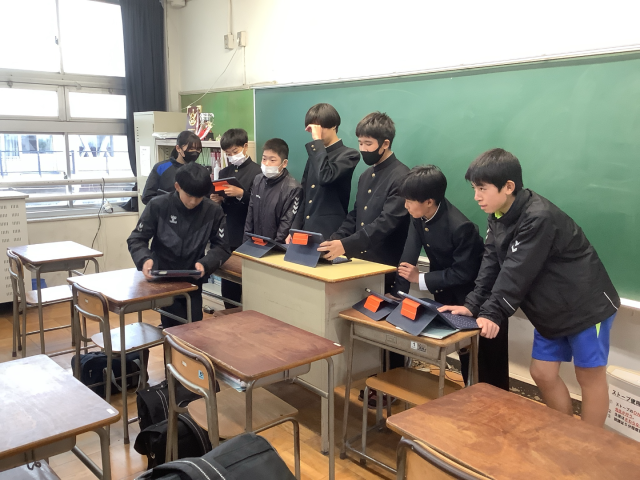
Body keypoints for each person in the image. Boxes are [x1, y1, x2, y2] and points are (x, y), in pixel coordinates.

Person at [440, 148, 620, 426]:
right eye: (474, 188)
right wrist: (472, 305)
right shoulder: (498, 214)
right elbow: (491, 262)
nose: (476, 196)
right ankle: (566, 432)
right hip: (551, 309)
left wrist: (492, 313)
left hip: (586, 305)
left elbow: (516, 270)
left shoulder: (538, 217)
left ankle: (588, 443)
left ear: (508, 186)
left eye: (482, 188)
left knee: (589, 377)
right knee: (542, 373)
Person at [390, 165, 500, 387]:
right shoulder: (419, 216)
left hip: (472, 297)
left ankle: (484, 399)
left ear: (429, 201)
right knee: (462, 353)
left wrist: (420, 279)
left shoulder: (461, 227)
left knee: (480, 358)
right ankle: (467, 394)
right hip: (445, 293)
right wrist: (397, 293)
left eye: (409, 201)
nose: (405, 205)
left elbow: (464, 272)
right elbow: (409, 255)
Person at [128, 162, 231, 328]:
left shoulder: (213, 211)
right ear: (177, 186)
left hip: (193, 278)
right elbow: (137, 239)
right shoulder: (158, 205)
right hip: (163, 278)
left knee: (194, 326)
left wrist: (205, 264)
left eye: (199, 197)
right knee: (173, 327)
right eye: (189, 195)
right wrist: (144, 259)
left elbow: (222, 247)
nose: (193, 201)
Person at [318, 112, 410, 292]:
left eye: (368, 144)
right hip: (359, 264)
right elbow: (355, 216)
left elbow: (384, 224)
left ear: (385, 144)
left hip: (384, 268)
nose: (363, 149)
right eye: (360, 143)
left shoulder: (402, 177)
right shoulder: (365, 176)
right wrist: (334, 240)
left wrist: (345, 245)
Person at [211, 128, 261, 308]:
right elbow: (223, 204)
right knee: (229, 284)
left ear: (245, 147)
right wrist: (217, 200)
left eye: (235, 152)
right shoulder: (224, 172)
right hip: (229, 232)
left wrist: (241, 194)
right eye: (228, 153)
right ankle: (229, 312)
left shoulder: (258, 172)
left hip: (249, 233)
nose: (232, 156)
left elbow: (261, 204)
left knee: (250, 284)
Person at [297, 103, 360, 239]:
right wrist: (295, 228)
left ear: (334, 126)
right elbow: (304, 195)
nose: (316, 133)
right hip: (307, 231)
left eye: (320, 128)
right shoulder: (315, 156)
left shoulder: (349, 155)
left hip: (330, 233)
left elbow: (325, 177)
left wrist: (317, 141)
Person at [244, 138, 303, 243]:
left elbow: (286, 224)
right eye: (264, 159)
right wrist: (246, 242)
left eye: (272, 160)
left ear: (284, 163)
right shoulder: (258, 180)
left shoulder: (293, 188)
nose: (266, 164)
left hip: (276, 246)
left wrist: (274, 247)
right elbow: (250, 214)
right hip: (256, 243)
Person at [141, 131, 203, 204]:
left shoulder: (200, 171)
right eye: (191, 149)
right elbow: (147, 197)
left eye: (198, 149)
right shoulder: (161, 168)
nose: (195, 152)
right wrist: (169, 203)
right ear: (178, 148)